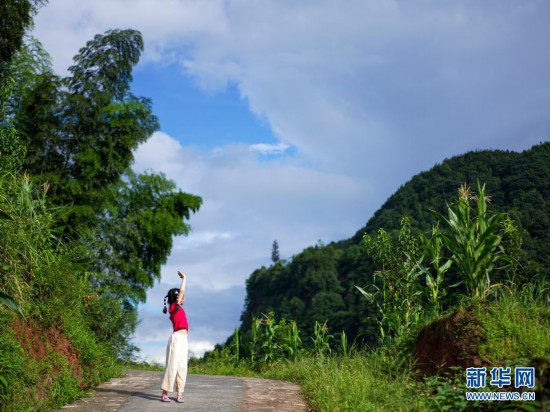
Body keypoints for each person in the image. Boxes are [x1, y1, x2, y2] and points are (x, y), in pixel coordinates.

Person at [160, 270, 189, 403]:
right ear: (177, 298)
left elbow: (182, 294)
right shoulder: (173, 307)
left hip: (184, 339)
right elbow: (181, 292)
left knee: (182, 366)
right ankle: (165, 393)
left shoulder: (179, 308)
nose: (183, 298)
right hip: (176, 338)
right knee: (172, 365)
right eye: (181, 297)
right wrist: (184, 279)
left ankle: (179, 393)